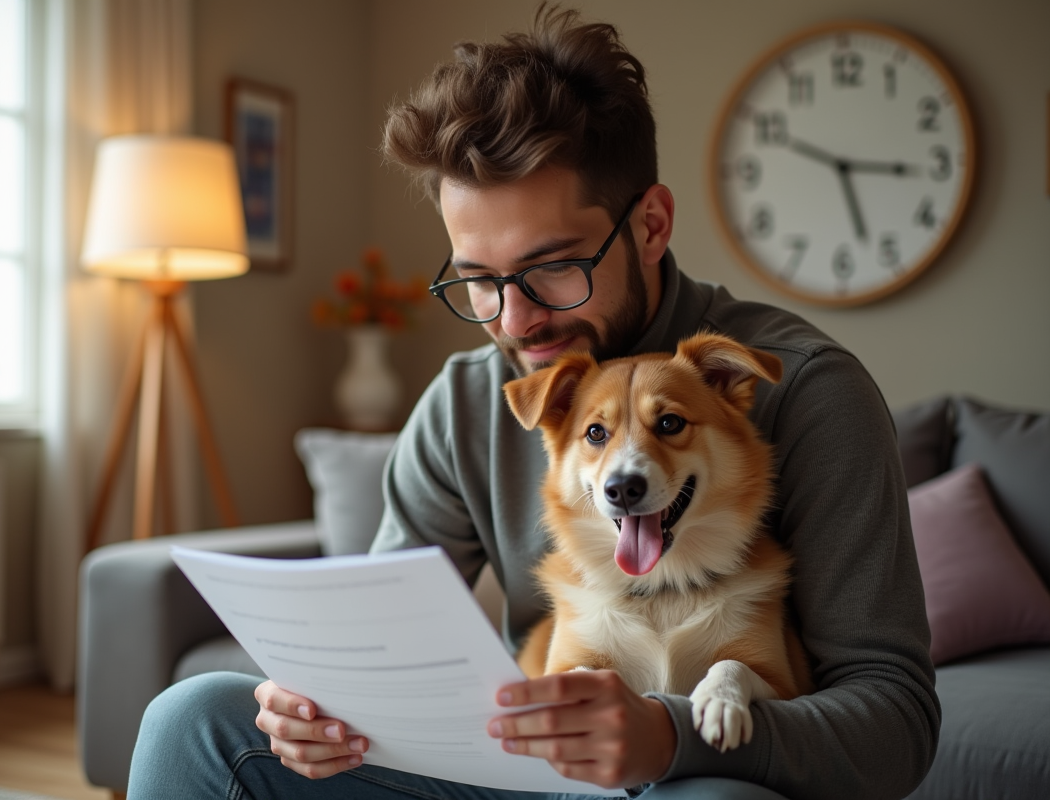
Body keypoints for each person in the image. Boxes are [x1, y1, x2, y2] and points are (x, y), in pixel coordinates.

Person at [127, 6, 939, 798]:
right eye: (478, 279)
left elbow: (895, 723)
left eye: (553, 266)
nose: (514, 320)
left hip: (686, 776)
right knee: (192, 718)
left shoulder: (804, 388)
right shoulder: (467, 401)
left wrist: (671, 740)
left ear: (650, 225)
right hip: (517, 776)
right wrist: (318, 710)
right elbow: (381, 651)